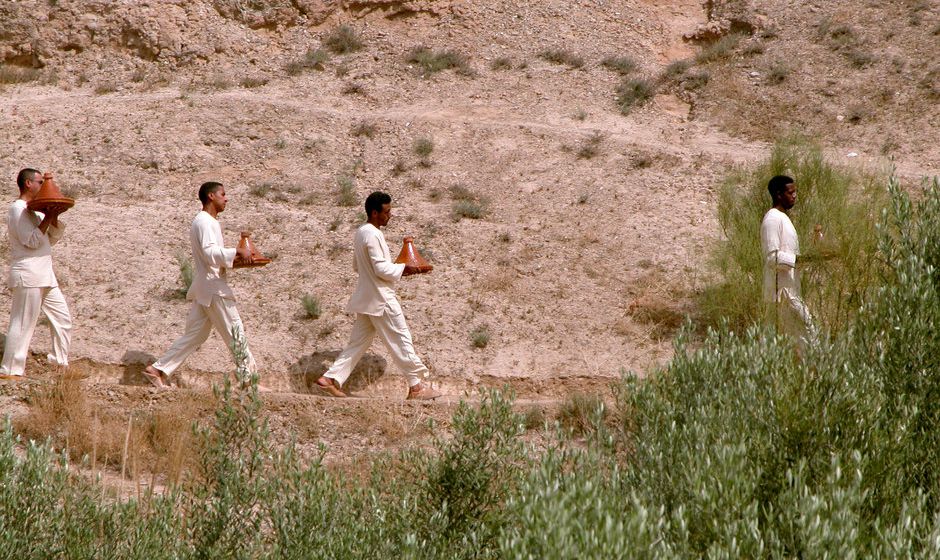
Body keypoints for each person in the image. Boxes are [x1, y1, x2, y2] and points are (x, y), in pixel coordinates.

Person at [315, 191, 441, 400]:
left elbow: (358, 266)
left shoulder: (360, 232)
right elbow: (381, 269)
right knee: (401, 339)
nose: (389, 215)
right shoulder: (373, 234)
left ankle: (329, 379)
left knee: (358, 343)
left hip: (367, 298)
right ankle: (417, 386)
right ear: (375, 213)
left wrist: (398, 269)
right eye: (386, 212)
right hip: (381, 299)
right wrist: (405, 269)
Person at [143, 181, 257, 388]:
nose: (226, 198)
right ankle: (249, 381)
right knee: (235, 331)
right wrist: (236, 252)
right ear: (211, 196)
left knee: (195, 335)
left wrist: (234, 260)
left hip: (207, 286)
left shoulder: (206, 221)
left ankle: (157, 369)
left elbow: (211, 257)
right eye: (223, 194)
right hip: (214, 289)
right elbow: (209, 253)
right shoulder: (205, 221)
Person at [0, 169, 71, 379]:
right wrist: (47, 217)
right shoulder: (17, 209)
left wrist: (53, 216)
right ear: (28, 183)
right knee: (23, 322)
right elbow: (31, 241)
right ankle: (10, 370)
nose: (43, 186)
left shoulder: (35, 211)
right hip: (28, 274)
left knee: (63, 319)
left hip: (45, 275)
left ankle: (60, 366)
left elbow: (51, 239)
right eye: (40, 182)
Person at [760, 175, 815, 352]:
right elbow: (772, 258)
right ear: (778, 194)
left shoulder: (784, 219)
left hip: (790, 292)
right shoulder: (772, 219)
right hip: (782, 294)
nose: (795, 196)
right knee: (809, 337)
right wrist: (799, 260)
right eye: (791, 192)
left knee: (794, 344)